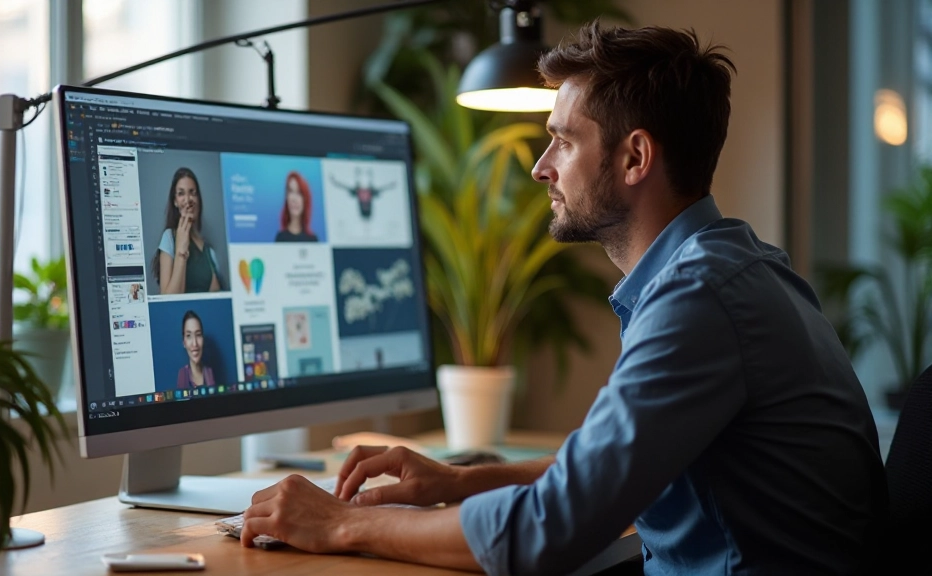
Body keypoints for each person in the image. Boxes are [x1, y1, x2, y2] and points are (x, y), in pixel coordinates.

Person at [237, 21, 888, 576]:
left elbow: (549, 528)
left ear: (635, 158)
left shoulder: (700, 298)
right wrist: (458, 481)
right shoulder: (739, 266)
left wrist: (342, 524)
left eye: (564, 140)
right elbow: (610, 472)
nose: (540, 166)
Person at [151, 167, 223, 294]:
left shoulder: (209, 251)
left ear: (198, 199)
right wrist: (181, 250)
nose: (188, 199)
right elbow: (168, 301)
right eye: (181, 193)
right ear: (175, 201)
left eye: (192, 193)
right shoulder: (169, 238)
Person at [274, 171, 319, 242]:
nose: (294, 199)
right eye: (291, 191)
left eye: (299, 193)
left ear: (305, 200)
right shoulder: (280, 238)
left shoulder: (313, 239)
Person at [177, 310, 214, 389]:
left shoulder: (210, 373)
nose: (194, 343)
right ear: (184, 342)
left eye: (198, 335)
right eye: (189, 335)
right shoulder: (182, 375)